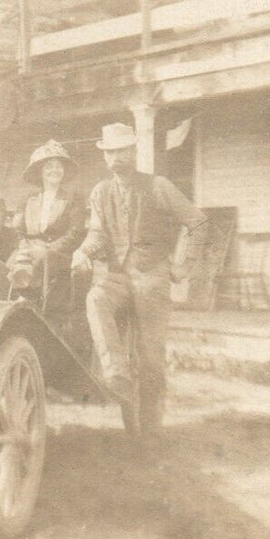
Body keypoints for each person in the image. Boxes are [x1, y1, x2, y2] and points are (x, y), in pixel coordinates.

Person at [71, 122, 208, 432]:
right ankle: (115, 372)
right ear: (105, 157)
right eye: (110, 152)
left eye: (122, 150)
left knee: (150, 358)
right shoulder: (101, 191)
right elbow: (96, 234)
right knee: (96, 298)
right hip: (117, 276)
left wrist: (184, 266)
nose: (116, 157)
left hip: (151, 276)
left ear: (133, 152)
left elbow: (197, 221)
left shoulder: (158, 185)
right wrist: (83, 252)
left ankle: (151, 429)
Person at [5, 140, 86, 321]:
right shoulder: (28, 198)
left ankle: (32, 304)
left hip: (59, 252)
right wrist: (23, 243)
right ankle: (15, 305)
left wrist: (50, 248)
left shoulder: (73, 197)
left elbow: (75, 232)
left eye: (58, 166)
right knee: (12, 260)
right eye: (49, 167)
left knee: (41, 258)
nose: (54, 170)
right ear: (40, 172)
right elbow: (16, 228)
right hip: (30, 248)